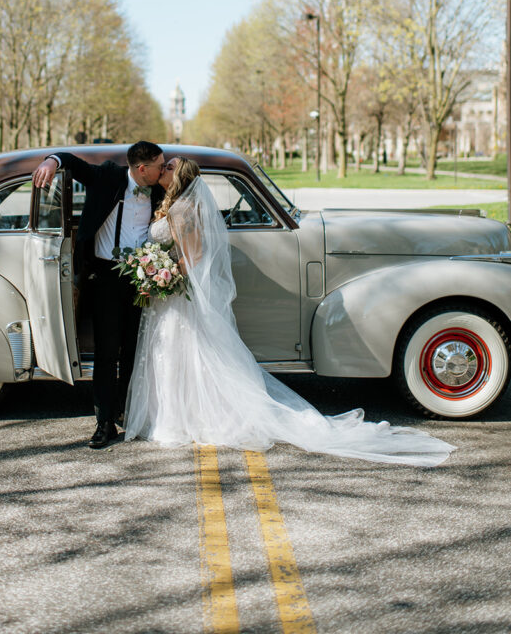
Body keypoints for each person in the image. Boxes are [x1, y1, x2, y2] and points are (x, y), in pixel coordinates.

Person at [124, 157, 455, 467]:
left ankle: (184, 416)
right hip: (173, 296)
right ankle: (180, 415)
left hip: (177, 292)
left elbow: (192, 256)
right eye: (161, 165)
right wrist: (159, 272)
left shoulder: (182, 208)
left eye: (167, 167)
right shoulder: (175, 205)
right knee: (177, 355)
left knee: (187, 355)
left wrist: (163, 273)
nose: (161, 169)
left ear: (179, 178)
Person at [33, 141, 165, 449]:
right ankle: (104, 422)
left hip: (142, 277)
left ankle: (127, 412)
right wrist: (52, 162)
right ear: (142, 169)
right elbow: (71, 161)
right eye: (160, 164)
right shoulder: (107, 176)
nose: (164, 168)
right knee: (107, 352)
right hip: (105, 276)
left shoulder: (159, 188)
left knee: (134, 349)